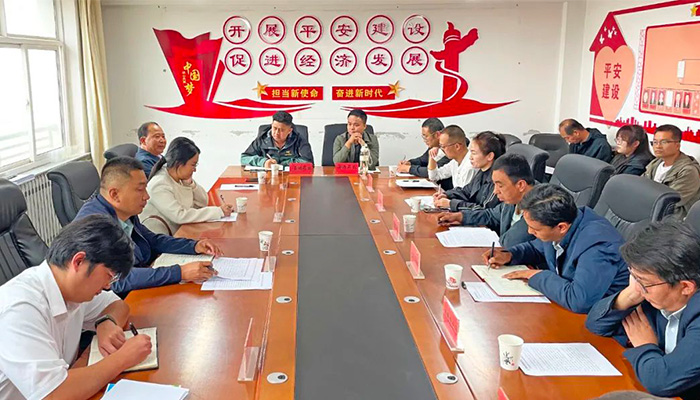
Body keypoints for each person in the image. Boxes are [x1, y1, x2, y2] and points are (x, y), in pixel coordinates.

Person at [0, 215, 153, 400]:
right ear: (79, 261)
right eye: (108, 275)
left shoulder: (72, 289)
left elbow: (118, 305)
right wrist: (123, 358)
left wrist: (106, 322)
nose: (108, 286)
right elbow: (53, 395)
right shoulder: (20, 308)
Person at [75, 157, 220, 296]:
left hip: (141, 279)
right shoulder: (95, 225)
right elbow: (117, 279)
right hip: (117, 299)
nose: (147, 196)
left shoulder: (124, 212)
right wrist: (180, 272)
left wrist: (194, 246)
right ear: (114, 194)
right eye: (140, 190)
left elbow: (152, 240)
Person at [586, 222, 700, 399]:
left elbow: (661, 382)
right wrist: (629, 296)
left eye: (643, 282)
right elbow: (595, 324)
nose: (638, 287)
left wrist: (645, 346)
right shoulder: (653, 294)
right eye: (633, 276)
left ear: (685, 287)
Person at [484, 184, 628, 313]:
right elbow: (536, 248)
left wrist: (537, 276)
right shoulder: (562, 220)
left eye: (535, 229)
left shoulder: (598, 246)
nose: (529, 232)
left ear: (561, 227)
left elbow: (579, 300)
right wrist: (510, 255)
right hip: (563, 306)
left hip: (603, 321)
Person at [437, 154, 536, 248]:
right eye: (494, 185)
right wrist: (460, 216)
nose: (495, 191)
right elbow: (491, 215)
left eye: (500, 185)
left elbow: (509, 242)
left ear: (520, 185)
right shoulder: (514, 198)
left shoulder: (538, 207)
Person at [141, 137, 233, 235]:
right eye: (193, 165)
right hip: (162, 238)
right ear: (179, 164)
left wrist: (191, 184)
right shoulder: (159, 184)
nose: (195, 170)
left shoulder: (179, 177)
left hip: (180, 231)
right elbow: (180, 216)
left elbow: (203, 202)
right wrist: (218, 212)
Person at [434, 131, 505, 211]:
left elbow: (483, 211)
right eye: (470, 152)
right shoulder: (482, 172)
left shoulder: (496, 180)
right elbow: (466, 191)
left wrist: (451, 203)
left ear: (490, 156)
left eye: (474, 153)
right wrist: (446, 195)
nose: (470, 157)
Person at [643, 124, 700, 218]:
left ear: (677, 145)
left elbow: (670, 202)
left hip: (672, 218)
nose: (658, 146)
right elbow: (641, 185)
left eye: (664, 142)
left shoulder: (688, 171)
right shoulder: (655, 163)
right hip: (649, 209)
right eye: (655, 142)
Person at [241, 111, 314, 167]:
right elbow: (244, 158)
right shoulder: (262, 139)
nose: (277, 133)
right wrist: (263, 162)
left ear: (289, 130)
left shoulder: (299, 140)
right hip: (267, 177)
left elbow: (309, 163)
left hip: (292, 178)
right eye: (274, 128)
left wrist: (282, 162)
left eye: (282, 130)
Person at [397, 118, 453, 189]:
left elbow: (433, 171)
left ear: (437, 135)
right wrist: (410, 162)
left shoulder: (449, 148)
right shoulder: (434, 146)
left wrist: (409, 169)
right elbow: (423, 160)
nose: (424, 140)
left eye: (426, 136)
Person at [426, 125, 476, 191]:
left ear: (457, 146)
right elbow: (434, 177)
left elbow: (463, 194)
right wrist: (432, 157)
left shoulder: (471, 165)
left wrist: (446, 195)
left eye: (443, 146)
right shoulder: (454, 162)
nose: (441, 150)